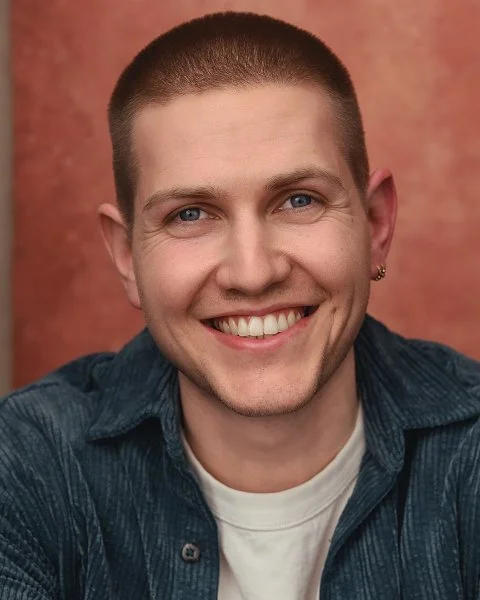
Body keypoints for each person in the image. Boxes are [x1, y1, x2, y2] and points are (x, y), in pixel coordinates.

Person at [1, 11, 479, 600]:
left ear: (376, 224)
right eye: (190, 215)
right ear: (127, 257)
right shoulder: (26, 465)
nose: (253, 274)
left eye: (299, 200)